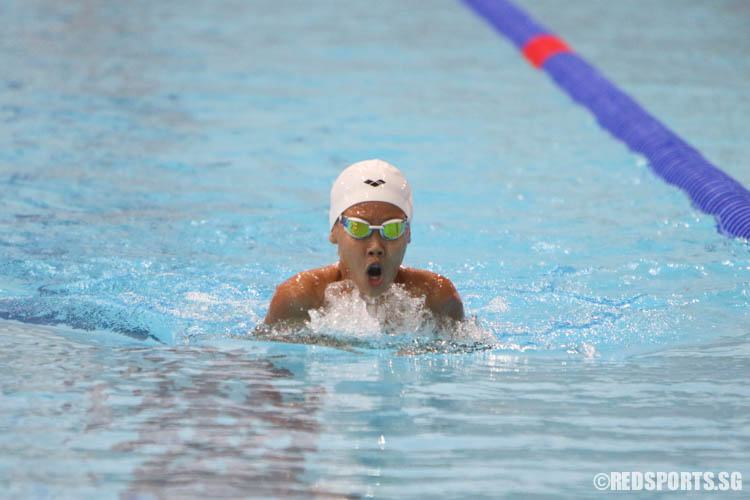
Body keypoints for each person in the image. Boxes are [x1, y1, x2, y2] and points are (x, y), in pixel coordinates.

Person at [263, 159, 464, 329]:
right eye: (359, 228)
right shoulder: (299, 299)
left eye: (392, 229)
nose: (375, 246)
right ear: (334, 232)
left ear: (408, 234)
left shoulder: (436, 299)